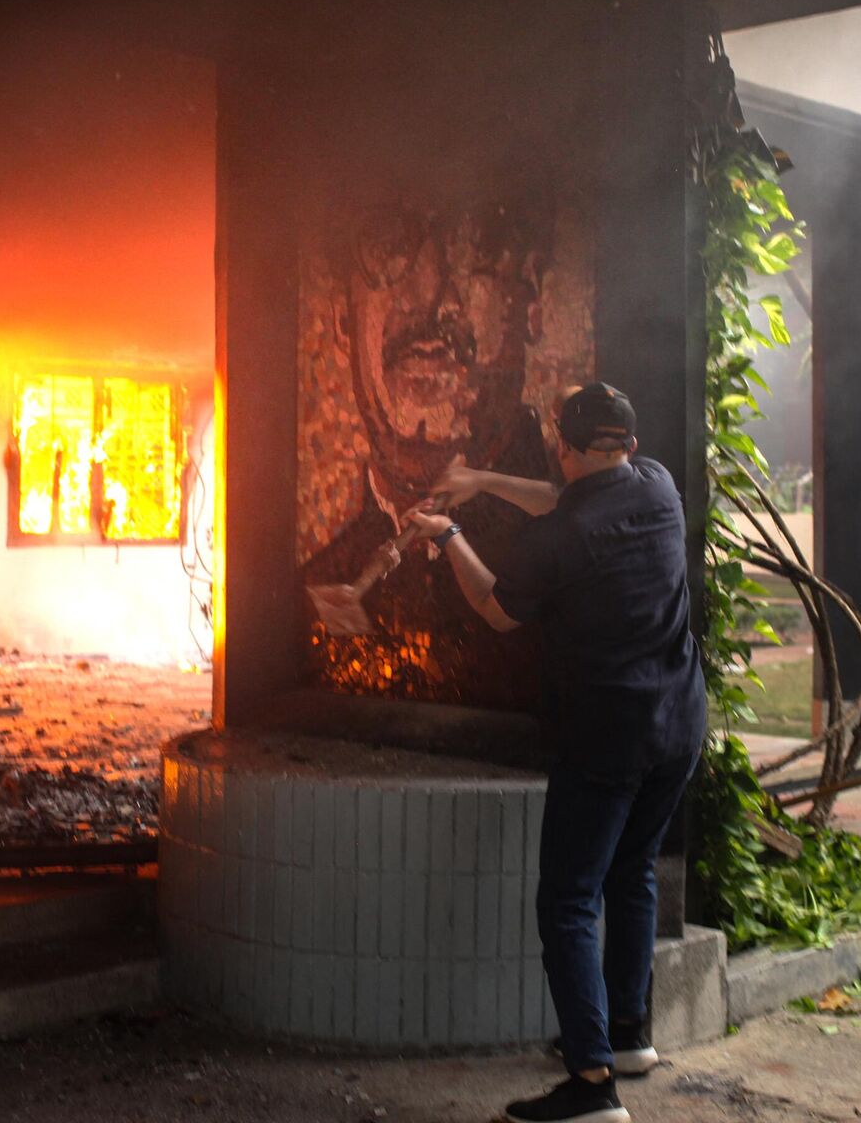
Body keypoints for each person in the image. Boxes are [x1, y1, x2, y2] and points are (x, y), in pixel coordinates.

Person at [402, 382, 707, 1123]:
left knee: (568, 901)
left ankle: (592, 1083)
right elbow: (565, 498)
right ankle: (629, 1035)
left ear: (567, 449)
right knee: (631, 869)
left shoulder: (558, 540)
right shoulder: (657, 485)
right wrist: (478, 482)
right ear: (626, 446)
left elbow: (498, 609)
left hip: (608, 732)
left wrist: (449, 538)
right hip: (679, 722)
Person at [301, 197, 556, 708]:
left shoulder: (562, 541)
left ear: (533, 308)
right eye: (391, 257)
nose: (439, 301)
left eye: (477, 259)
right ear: (344, 323)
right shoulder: (320, 577)